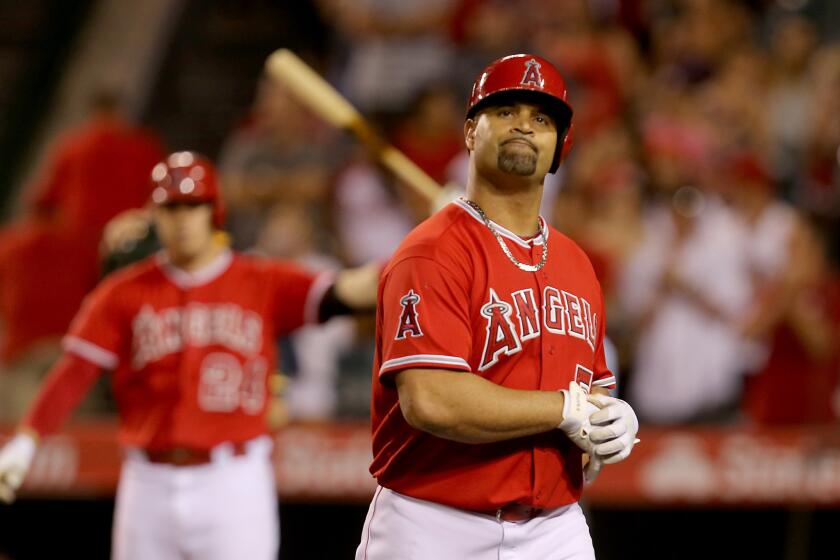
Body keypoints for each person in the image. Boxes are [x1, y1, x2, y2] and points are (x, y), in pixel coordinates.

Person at [0, 151, 378, 560]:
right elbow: (75, 370)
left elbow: (350, 292)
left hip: (233, 479)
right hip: (147, 480)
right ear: (154, 215)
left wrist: (428, 240)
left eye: (192, 205)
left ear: (213, 211)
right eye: (170, 207)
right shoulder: (123, 291)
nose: (182, 219)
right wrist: (28, 437)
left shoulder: (260, 279)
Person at [355, 54, 639, 560]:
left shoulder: (576, 265)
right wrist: (563, 409)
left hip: (555, 529)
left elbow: (589, 388)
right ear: (470, 133)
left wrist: (607, 424)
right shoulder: (431, 251)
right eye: (506, 111)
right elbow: (431, 400)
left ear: (558, 150)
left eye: (542, 118)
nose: (525, 125)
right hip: (434, 522)